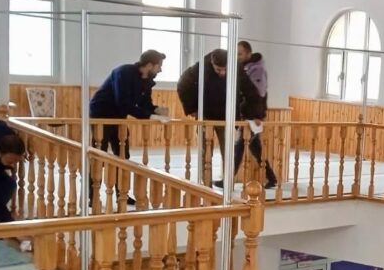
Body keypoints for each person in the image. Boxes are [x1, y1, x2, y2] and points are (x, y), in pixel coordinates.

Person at [89, 49, 168, 205]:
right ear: (150, 65)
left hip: (119, 117)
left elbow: (145, 104)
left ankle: (122, 193)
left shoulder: (147, 81)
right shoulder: (123, 73)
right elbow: (123, 103)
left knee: (123, 155)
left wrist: (157, 110)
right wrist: (150, 116)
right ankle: (92, 196)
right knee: (99, 155)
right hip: (101, 114)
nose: (160, 70)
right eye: (158, 66)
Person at [176, 48, 262, 188]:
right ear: (212, 63)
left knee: (228, 153)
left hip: (227, 116)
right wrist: (192, 109)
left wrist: (257, 114)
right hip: (206, 116)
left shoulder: (236, 67)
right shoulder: (201, 67)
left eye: (225, 69)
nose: (222, 73)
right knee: (205, 153)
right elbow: (182, 85)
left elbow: (251, 91)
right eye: (218, 69)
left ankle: (228, 185)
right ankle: (207, 186)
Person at [233, 41, 276, 189]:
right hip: (247, 115)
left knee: (239, 147)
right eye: (237, 54)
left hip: (253, 117)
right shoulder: (244, 68)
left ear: (248, 54)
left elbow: (259, 95)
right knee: (256, 149)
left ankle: (228, 179)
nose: (238, 56)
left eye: (240, 54)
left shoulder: (257, 70)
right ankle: (272, 178)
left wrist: (258, 116)